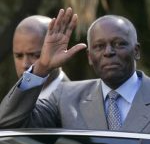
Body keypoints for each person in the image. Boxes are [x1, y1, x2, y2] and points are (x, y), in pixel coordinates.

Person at [0, 7, 149, 133]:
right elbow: (9, 123)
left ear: (136, 51)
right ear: (90, 57)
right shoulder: (66, 98)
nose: (108, 52)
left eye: (119, 44)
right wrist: (42, 67)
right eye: (99, 46)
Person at [13, 15, 70, 99]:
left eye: (35, 55)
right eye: (19, 56)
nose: (24, 64)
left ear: (57, 53)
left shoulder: (74, 102)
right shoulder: (14, 100)